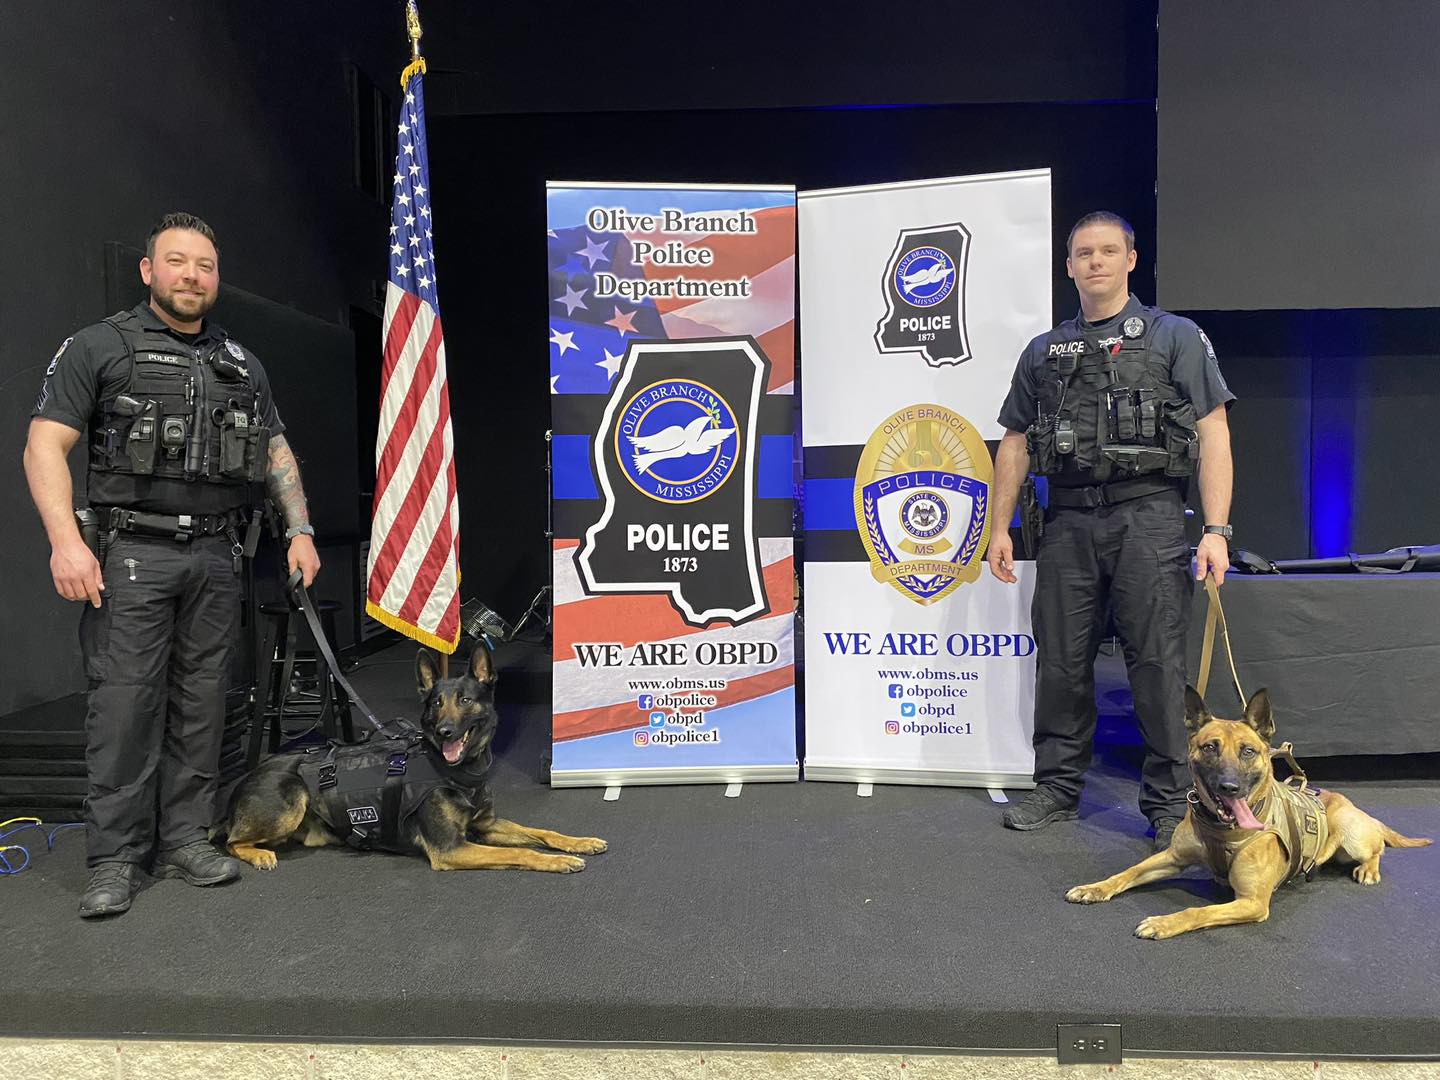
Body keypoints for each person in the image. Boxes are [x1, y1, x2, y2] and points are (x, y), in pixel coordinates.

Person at [23, 212, 322, 917]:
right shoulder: (100, 347)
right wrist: (66, 542)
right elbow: (44, 446)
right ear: (148, 271)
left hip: (218, 557)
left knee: (204, 706)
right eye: (178, 262)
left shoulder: (242, 363)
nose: (193, 275)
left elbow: (274, 449)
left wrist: (300, 529)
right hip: (132, 554)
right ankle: (115, 858)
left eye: (206, 266)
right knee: (125, 709)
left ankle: (186, 838)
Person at [986, 211, 1234, 851]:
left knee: (1156, 664)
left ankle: (1167, 804)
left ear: (1130, 259)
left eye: (1107, 251)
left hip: (1148, 515)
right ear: (1068, 266)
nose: (1095, 262)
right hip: (1067, 521)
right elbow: (1014, 441)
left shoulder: (1175, 336)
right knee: (1061, 663)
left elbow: (1212, 431)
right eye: (1083, 253)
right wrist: (998, 528)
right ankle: (1057, 788)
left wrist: (1216, 529)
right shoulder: (1044, 351)